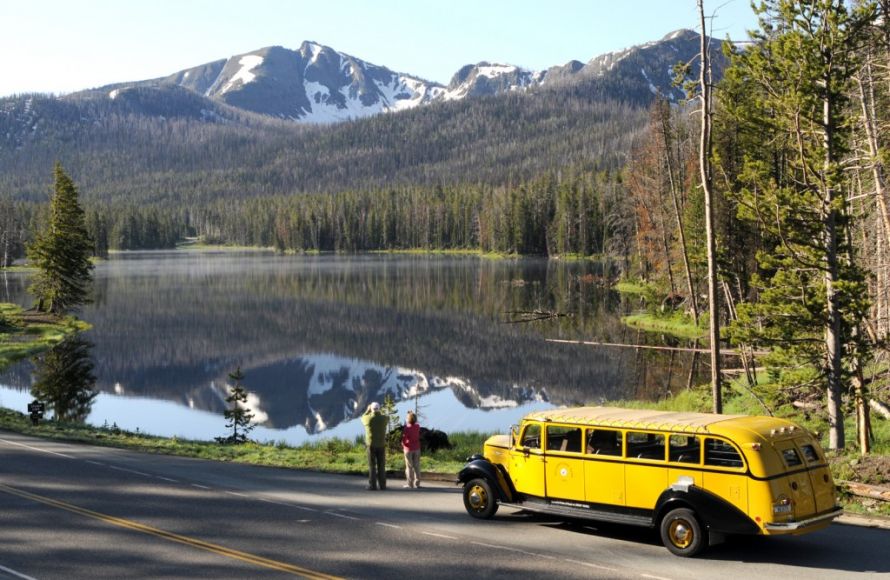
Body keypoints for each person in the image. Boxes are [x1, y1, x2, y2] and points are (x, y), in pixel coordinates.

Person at [361, 401, 388, 490]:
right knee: (381, 465)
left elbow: (362, 417)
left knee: (372, 466)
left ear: (371, 409)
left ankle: (372, 485)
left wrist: (367, 410)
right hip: (381, 445)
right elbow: (387, 417)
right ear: (379, 409)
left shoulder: (368, 419)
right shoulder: (384, 419)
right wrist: (380, 411)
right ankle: (382, 485)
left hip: (371, 445)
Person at [401, 411, 421, 488]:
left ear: (408, 419)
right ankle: (417, 483)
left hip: (408, 449)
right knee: (417, 465)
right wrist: (411, 414)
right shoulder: (417, 426)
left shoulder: (407, 428)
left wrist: (403, 444)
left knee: (409, 467)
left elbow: (404, 439)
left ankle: (410, 484)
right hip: (417, 448)